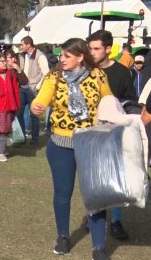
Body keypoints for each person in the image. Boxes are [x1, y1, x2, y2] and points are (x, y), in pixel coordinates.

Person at [31, 38, 113, 260]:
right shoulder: (54, 77)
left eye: (67, 55)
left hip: (92, 144)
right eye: (61, 55)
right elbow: (40, 101)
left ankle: (98, 246)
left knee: (95, 196)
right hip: (61, 145)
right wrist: (37, 107)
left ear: (80, 57)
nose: (62, 59)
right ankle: (63, 237)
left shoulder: (97, 76)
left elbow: (109, 102)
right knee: (63, 193)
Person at [87, 29, 136, 241]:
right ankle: (94, 217)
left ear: (109, 49)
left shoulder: (122, 72)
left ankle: (115, 221)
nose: (92, 52)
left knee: (116, 178)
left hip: (115, 132)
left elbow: (130, 101)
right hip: (90, 132)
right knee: (94, 179)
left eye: (96, 49)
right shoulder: (86, 70)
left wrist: (115, 112)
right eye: (90, 48)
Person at [17, 36, 50, 146]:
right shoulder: (22, 55)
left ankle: (35, 140)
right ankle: (21, 137)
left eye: (22, 44)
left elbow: (46, 73)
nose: (21, 47)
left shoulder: (40, 56)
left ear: (28, 45)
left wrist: (38, 86)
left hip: (33, 90)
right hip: (22, 88)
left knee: (34, 115)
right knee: (19, 113)